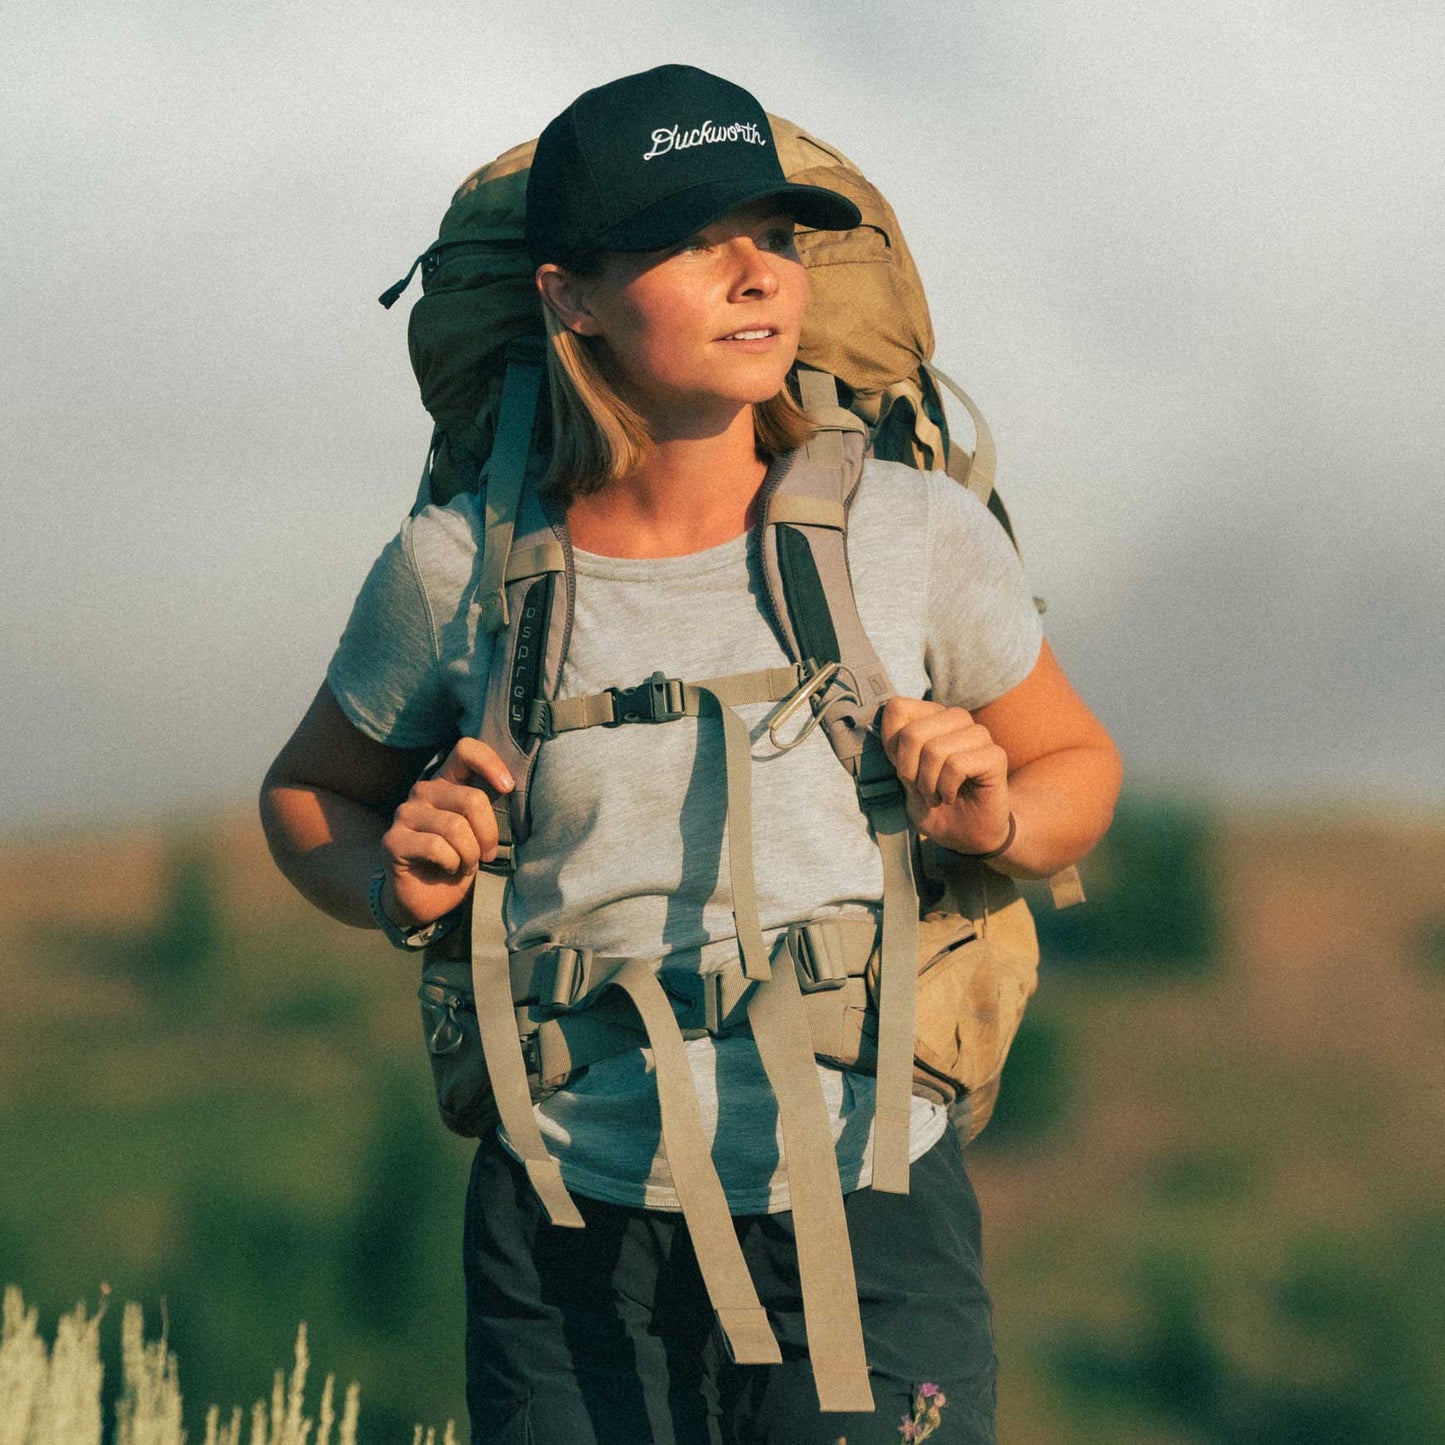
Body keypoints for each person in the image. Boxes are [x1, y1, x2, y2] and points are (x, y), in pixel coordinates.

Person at [261, 64, 1121, 1445]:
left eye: (776, 239)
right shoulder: (455, 571)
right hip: (566, 1222)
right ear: (569, 294)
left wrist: (995, 817)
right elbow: (309, 792)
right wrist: (387, 880)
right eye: (687, 239)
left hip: (867, 1204)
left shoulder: (909, 534)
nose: (752, 275)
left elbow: (1076, 769)